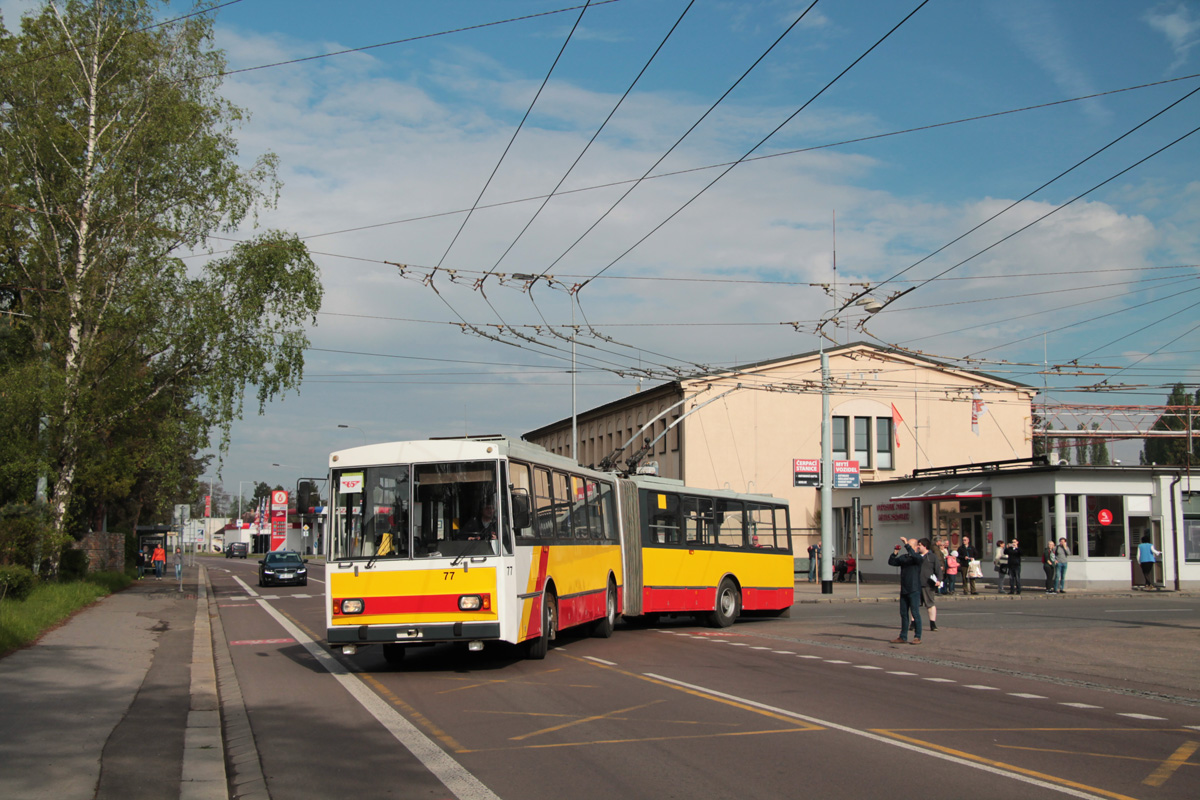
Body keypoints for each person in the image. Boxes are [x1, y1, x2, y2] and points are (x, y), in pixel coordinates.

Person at [888, 537, 923, 645]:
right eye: (908, 546)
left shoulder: (918, 558)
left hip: (914, 589)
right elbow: (892, 562)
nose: (908, 548)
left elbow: (915, 556)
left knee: (915, 613)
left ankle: (917, 636)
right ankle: (903, 636)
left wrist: (907, 544)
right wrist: (895, 552)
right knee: (903, 613)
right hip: (904, 589)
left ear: (916, 547)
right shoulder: (904, 558)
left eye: (910, 546)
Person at [916, 537, 942, 632]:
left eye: (920, 545)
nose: (918, 547)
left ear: (925, 546)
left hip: (928, 584)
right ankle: (913, 623)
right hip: (917, 584)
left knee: (930, 604)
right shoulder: (916, 556)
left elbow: (938, 569)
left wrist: (939, 580)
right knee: (915, 605)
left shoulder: (932, 557)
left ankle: (933, 623)